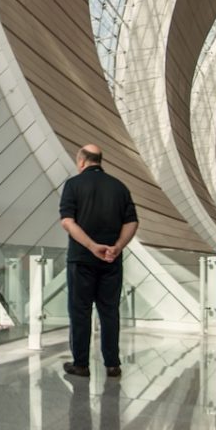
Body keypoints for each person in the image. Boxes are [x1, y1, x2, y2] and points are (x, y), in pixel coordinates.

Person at [58, 145, 138, 379]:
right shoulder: (119, 187)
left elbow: (67, 222)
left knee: (80, 312)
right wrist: (117, 246)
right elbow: (132, 222)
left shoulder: (73, 185)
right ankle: (112, 365)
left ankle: (81, 364)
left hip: (81, 259)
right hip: (111, 260)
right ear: (100, 161)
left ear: (82, 161)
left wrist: (92, 246)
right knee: (109, 312)